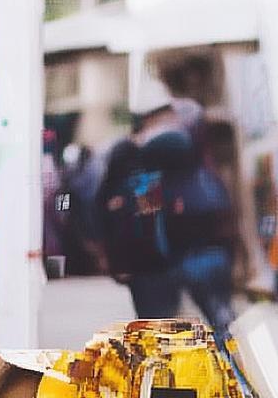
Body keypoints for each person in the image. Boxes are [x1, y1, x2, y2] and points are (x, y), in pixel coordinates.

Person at [97, 79, 238, 346]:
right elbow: (107, 209)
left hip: (167, 256)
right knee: (200, 329)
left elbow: (105, 209)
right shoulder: (143, 149)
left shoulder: (157, 146)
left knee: (162, 334)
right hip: (163, 257)